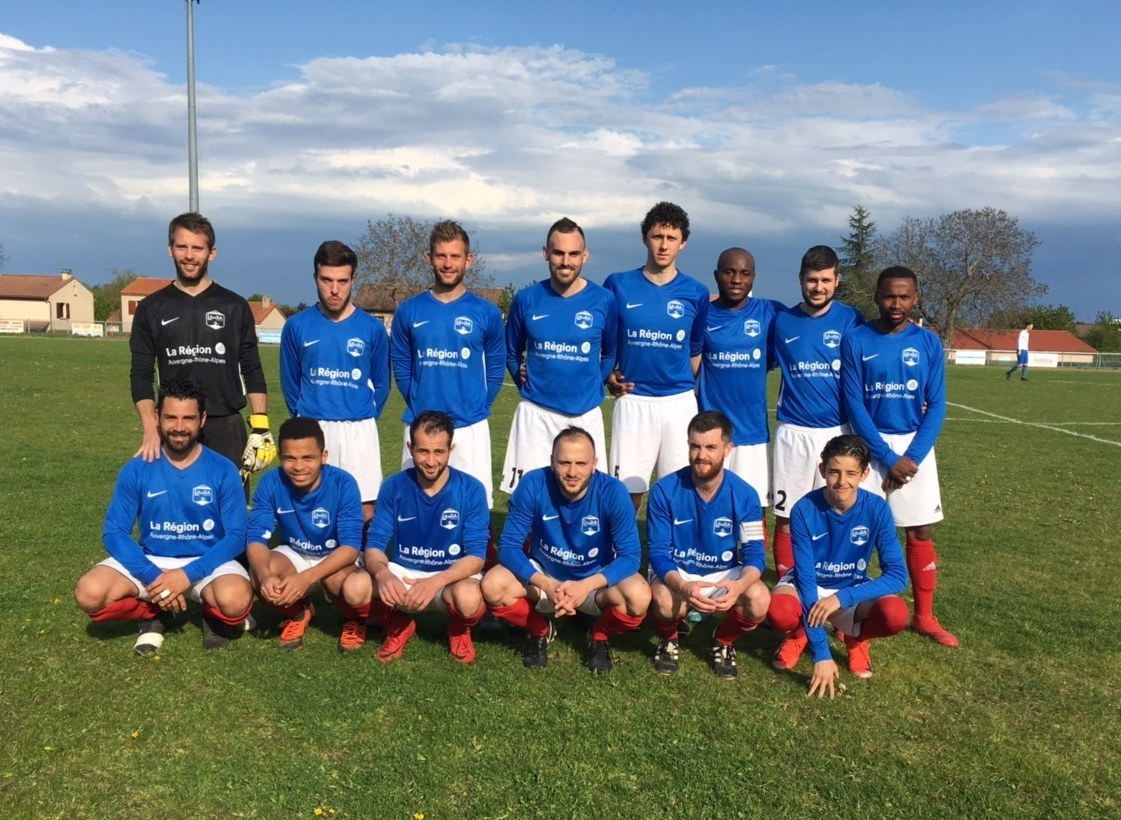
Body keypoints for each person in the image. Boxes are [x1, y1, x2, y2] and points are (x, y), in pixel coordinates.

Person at [74, 380, 252, 654]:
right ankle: (154, 611)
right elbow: (114, 531)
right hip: (153, 560)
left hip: (205, 564)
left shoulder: (223, 469)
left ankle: (209, 614)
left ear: (202, 419)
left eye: (188, 418)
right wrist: (153, 576)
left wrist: (186, 575)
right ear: (157, 418)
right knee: (89, 593)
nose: (179, 427)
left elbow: (237, 536)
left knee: (235, 600)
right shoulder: (137, 469)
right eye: (170, 417)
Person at [840, 266, 958, 647]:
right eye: (890, 296)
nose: (896, 304)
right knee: (854, 532)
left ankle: (924, 617)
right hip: (869, 446)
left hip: (914, 451)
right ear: (876, 296)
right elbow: (854, 403)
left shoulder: (928, 342)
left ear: (916, 298)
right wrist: (886, 457)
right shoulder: (857, 338)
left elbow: (937, 404)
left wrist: (912, 457)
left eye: (904, 297)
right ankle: (845, 613)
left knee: (919, 530)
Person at [482, 428, 650, 673]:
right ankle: (540, 630)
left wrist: (585, 587)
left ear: (594, 464)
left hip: (593, 581)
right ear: (552, 462)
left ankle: (599, 636)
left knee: (639, 596)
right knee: (492, 585)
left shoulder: (613, 492)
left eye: (581, 463)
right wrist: (546, 585)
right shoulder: (533, 483)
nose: (572, 472)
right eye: (564, 463)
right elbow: (508, 547)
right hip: (545, 578)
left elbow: (631, 556)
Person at [129, 213, 271, 488]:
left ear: (212, 253)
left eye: (197, 248)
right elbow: (141, 374)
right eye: (182, 247)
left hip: (226, 426)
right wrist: (151, 427)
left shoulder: (234, 306)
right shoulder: (151, 308)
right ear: (170, 249)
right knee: (177, 514)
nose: (189, 255)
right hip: (175, 427)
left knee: (230, 517)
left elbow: (252, 367)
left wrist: (261, 426)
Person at [767, 435, 910, 697]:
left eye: (851, 473)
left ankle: (855, 639)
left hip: (849, 587)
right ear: (822, 470)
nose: (842, 481)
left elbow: (899, 576)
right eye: (834, 472)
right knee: (779, 611)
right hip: (807, 585)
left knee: (895, 613)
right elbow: (807, 581)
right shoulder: (804, 509)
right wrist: (821, 653)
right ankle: (800, 634)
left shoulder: (877, 508)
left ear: (864, 474)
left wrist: (841, 598)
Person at [389, 221, 505, 508]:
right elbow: (402, 368)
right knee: (415, 506)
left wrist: (475, 405)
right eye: (441, 256)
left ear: (469, 260)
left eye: (455, 256)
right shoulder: (409, 310)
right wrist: (419, 401)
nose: (448, 263)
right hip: (420, 427)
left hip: (469, 425)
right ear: (429, 258)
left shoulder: (486, 313)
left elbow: (495, 368)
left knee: (473, 508)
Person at [646, 411, 770, 678]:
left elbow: (755, 555)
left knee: (759, 599)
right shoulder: (665, 489)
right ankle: (669, 638)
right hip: (678, 570)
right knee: (665, 600)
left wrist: (738, 586)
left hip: (722, 572)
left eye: (711, 447)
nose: (701, 455)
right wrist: (684, 586)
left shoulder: (746, 495)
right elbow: (657, 552)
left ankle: (723, 642)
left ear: (728, 449)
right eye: (695, 446)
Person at [604, 201, 710, 512]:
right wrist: (608, 374)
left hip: (678, 403)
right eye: (657, 236)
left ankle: (665, 562)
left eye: (671, 238)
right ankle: (624, 559)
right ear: (645, 238)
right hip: (634, 401)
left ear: (683, 243)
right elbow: (606, 342)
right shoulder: (618, 284)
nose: (663, 245)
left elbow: (694, 352)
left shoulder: (696, 292)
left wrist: (675, 383)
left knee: (677, 492)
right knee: (626, 494)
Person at [500, 218, 617, 494]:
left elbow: (610, 353)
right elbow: (510, 351)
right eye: (558, 253)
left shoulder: (603, 300)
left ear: (585, 256)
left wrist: (592, 384)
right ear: (545, 253)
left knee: (588, 497)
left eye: (574, 254)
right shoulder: (526, 299)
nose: (566, 261)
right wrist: (524, 381)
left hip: (585, 415)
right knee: (528, 497)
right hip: (536, 414)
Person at [280, 240, 391, 531]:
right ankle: (314, 566)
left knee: (365, 508)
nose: (334, 289)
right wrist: (308, 420)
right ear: (315, 278)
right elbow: (290, 384)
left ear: (353, 280)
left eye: (342, 281)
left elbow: (382, 384)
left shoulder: (372, 328)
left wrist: (362, 415)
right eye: (326, 280)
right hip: (315, 427)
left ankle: (360, 569)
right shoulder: (296, 326)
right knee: (314, 503)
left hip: (358, 429)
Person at [364, 411, 489, 663]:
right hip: (405, 575)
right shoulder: (393, 486)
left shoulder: (472, 489)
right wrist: (384, 574)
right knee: (355, 587)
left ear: (450, 449)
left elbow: (476, 557)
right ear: (410, 448)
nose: (431, 461)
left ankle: (458, 629)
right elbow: (375, 545)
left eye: (439, 452)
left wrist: (436, 582)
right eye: (423, 451)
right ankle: (398, 623)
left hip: (449, 578)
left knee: (469, 598)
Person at [771, 246, 863, 580]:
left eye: (826, 280)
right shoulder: (781, 321)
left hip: (837, 432)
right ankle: (788, 590)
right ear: (801, 280)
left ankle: (834, 585)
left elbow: (875, 362)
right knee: (787, 516)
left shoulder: (852, 319)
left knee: (838, 512)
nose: (818, 287)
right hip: (793, 432)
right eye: (812, 280)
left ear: (837, 280)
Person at [245, 417, 372, 652]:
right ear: (280, 457)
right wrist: (264, 575)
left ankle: (355, 620)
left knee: (347, 584)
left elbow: (351, 546)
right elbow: (256, 537)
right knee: (259, 572)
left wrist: (306, 578)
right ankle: (299, 612)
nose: (299, 467)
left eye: (308, 458)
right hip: (296, 552)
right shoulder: (271, 482)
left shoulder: (343, 483)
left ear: (323, 456)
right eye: (289, 458)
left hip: (336, 556)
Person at [697, 247, 782, 507]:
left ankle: (752, 551)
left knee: (752, 511)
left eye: (744, 273)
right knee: (708, 507)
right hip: (710, 435)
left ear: (753, 277)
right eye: (729, 272)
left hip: (752, 435)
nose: (736, 280)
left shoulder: (771, 312)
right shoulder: (702, 315)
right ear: (716, 275)